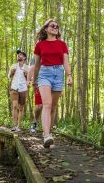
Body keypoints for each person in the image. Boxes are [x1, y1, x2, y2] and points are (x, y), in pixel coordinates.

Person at [32, 19, 72, 148]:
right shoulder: (40, 45)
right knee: (47, 104)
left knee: (53, 107)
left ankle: (49, 133)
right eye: (52, 26)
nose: (55, 27)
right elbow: (37, 65)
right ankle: (46, 135)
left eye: (57, 26)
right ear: (46, 29)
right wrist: (34, 81)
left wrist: (69, 75)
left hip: (59, 73)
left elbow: (65, 61)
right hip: (44, 74)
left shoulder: (62, 44)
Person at [8, 50, 29, 132]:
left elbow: (30, 79)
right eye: (18, 55)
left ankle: (18, 126)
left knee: (21, 108)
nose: (18, 56)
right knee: (15, 106)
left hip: (23, 88)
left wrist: (27, 75)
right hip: (14, 87)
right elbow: (9, 76)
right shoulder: (13, 65)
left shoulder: (28, 67)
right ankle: (14, 125)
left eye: (20, 55)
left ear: (24, 58)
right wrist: (11, 73)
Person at [27, 57, 43, 133]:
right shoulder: (34, 58)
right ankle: (35, 122)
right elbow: (31, 69)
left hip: (50, 83)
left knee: (48, 106)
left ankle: (47, 130)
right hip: (38, 84)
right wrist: (29, 80)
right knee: (39, 106)